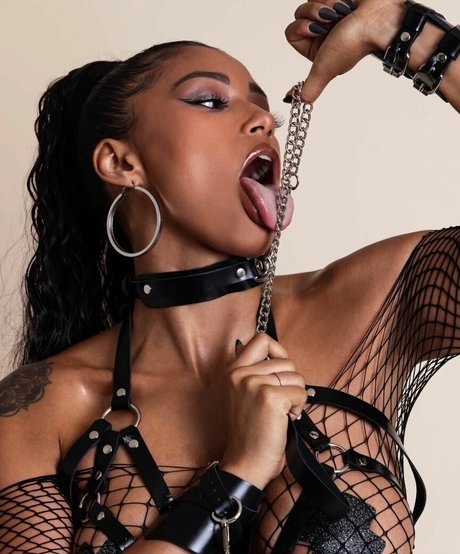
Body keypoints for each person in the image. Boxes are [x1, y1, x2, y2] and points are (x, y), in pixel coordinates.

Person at [0, 0, 459, 552]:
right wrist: (240, 471)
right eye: (210, 101)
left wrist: (407, 33)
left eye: (266, 111)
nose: (263, 121)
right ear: (121, 163)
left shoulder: (374, 303)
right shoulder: (41, 408)